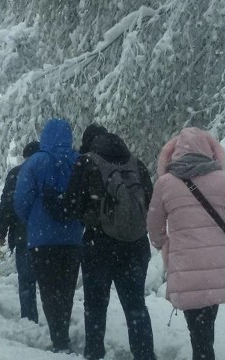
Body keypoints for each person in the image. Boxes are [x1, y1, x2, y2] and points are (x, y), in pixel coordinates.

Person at [146, 127, 225, 360]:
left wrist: (163, 243)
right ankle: (204, 352)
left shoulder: (165, 183)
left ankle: (202, 353)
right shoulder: (223, 179)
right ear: (209, 150)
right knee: (206, 324)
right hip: (217, 264)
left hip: (186, 265)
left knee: (197, 329)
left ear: (175, 154)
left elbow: (154, 223)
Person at [64, 127, 157, 360]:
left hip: (99, 245)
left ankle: (94, 354)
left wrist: (93, 216)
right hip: (135, 245)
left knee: (95, 308)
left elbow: (72, 204)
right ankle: (145, 355)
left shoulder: (86, 163)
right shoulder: (136, 164)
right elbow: (151, 200)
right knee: (136, 307)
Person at [13, 118, 84, 353]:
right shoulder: (78, 161)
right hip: (73, 240)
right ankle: (62, 331)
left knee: (48, 289)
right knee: (65, 289)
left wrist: (33, 220)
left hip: (42, 240)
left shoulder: (35, 163)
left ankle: (59, 338)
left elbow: (21, 201)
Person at [0, 140, 40, 323]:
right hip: (49, 239)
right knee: (50, 284)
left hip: (24, 236)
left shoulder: (16, 174)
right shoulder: (50, 171)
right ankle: (56, 323)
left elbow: (6, 206)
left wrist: (0, 232)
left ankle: (29, 321)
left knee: (27, 282)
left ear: (24, 156)